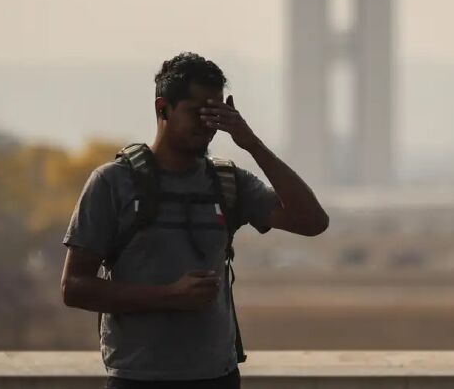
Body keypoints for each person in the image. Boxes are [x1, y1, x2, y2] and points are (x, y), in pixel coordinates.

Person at [60, 52, 329, 388]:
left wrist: (251, 144)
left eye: (214, 112)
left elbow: (312, 221)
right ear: (163, 109)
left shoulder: (228, 182)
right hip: (137, 378)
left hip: (217, 377)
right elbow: (74, 288)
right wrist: (168, 295)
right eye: (195, 112)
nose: (207, 123)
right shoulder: (113, 183)